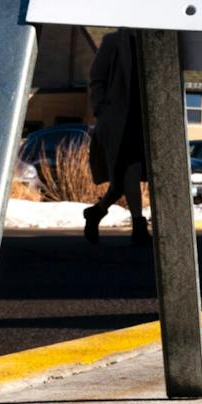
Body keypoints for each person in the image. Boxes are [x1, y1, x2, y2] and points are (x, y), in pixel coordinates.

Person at [82, 27, 149, 247]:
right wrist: (101, 108)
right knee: (131, 169)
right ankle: (139, 226)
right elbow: (97, 77)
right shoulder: (113, 41)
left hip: (142, 119)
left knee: (121, 181)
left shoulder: (152, 43)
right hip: (118, 120)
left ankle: (96, 212)